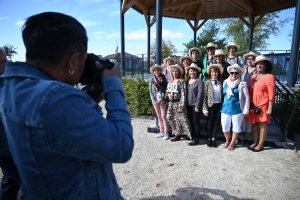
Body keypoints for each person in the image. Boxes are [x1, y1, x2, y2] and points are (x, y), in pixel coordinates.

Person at [0, 12, 134, 199]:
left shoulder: (11, 86)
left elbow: (59, 130)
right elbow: (121, 146)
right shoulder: (55, 98)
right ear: (72, 61)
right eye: (82, 61)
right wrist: (113, 87)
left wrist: (92, 100)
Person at [0, 49, 23, 200]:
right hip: (7, 149)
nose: (7, 65)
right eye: (3, 62)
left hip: (10, 147)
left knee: (11, 182)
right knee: (31, 186)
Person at [247, 55, 276, 152]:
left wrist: (270, 108)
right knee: (254, 124)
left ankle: (260, 144)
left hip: (263, 104)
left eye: (261, 64)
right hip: (254, 105)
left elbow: (271, 93)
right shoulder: (254, 76)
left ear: (266, 66)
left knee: (263, 124)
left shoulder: (270, 77)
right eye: (257, 64)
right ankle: (255, 141)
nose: (259, 65)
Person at [220, 64, 250, 151]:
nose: (234, 74)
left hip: (237, 109)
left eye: (236, 73)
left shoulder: (242, 84)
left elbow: (246, 98)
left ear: (239, 74)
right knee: (225, 126)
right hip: (225, 108)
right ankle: (227, 140)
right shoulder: (225, 82)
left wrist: (246, 110)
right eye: (232, 72)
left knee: (236, 127)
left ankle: (232, 143)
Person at [166, 65, 191, 141]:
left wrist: (182, 106)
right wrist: (168, 94)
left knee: (182, 120)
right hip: (171, 103)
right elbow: (167, 91)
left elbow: (183, 93)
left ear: (179, 72)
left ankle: (187, 134)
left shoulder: (181, 81)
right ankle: (177, 133)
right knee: (169, 117)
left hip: (178, 102)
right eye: (173, 71)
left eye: (176, 71)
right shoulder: (170, 81)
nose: (175, 73)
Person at [202, 64, 224, 148]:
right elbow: (204, 96)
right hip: (210, 105)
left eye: (215, 72)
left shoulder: (220, 82)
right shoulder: (207, 83)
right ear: (210, 73)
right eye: (212, 72)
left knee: (216, 122)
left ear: (218, 73)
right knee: (209, 122)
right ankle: (209, 138)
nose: (214, 74)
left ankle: (214, 138)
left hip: (218, 105)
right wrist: (205, 109)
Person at [185, 63, 204, 146]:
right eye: (191, 71)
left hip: (195, 106)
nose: (192, 72)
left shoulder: (199, 81)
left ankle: (197, 138)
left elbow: (200, 94)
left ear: (197, 72)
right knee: (191, 121)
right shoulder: (187, 81)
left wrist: (197, 105)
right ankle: (192, 136)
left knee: (195, 122)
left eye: (194, 71)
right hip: (188, 105)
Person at [149, 64, 169, 140]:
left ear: (160, 71)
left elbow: (166, 90)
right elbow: (150, 91)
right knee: (159, 116)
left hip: (162, 100)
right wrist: (152, 99)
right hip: (155, 100)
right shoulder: (151, 80)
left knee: (163, 116)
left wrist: (161, 98)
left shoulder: (164, 79)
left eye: (158, 70)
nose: (157, 72)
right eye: (155, 70)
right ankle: (161, 131)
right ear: (153, 72)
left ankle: (166, 132)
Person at [241, 51, 258, 138]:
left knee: (250, 112)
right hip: (244, 93)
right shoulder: (244, 68)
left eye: (251, 59)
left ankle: (248, 130)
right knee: (243, 111)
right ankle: (243, 129)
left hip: (252, 93)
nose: (249, 61)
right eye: (248, 59)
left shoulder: (257, 70)